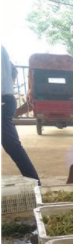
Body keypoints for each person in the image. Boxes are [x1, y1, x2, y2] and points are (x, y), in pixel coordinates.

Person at [1, 45, 40, 183]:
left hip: (3, 100)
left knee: (11, 144)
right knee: (12, 145)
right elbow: (13, 71)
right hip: (6, 98)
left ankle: (36, 184)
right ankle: (36, 183)